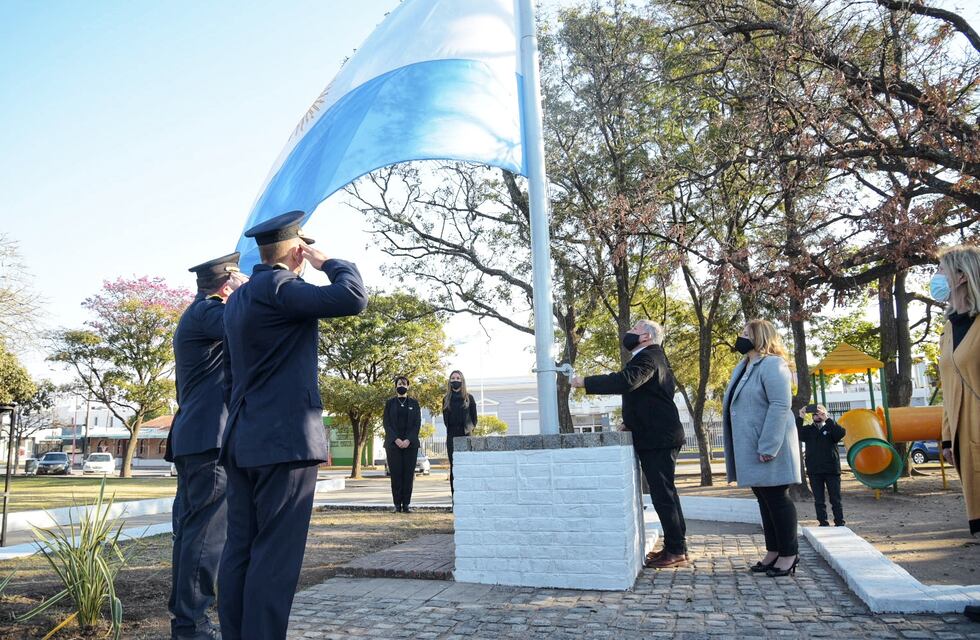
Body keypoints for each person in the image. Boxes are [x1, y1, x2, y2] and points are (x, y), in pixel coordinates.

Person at [218, 211, 367, 640]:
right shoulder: (281, 287)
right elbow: (352, 297)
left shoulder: (238, 300)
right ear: (297, 251)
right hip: (283, 443)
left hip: (243, 438)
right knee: (275, 557)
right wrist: (329, 262)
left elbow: (230, 376)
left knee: (240, 550)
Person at [167, 252, 246, 640]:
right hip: (208, 441)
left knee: (190, 534)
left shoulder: (199, 313)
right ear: (226, 284)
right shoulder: (208, 313)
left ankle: (186, 621)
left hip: (197, 438)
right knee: (204, 538)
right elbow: (245, 322)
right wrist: (250, 291)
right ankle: (192, 625)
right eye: (237, 280)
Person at [571, 320, 688, 569]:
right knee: (666, 493)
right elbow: (648, 398)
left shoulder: (648, 358)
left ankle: (676, 549)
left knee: (663, 495)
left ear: (646, 337)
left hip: (659, 438)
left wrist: (585, 382)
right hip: (658, 435)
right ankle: (676, 547)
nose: (628, 332)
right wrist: (630, 422)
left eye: (634, 329)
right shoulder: (653, 357)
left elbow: (626, 381)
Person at [722, 319, 802, 577]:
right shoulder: (744, 366)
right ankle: (774, 551)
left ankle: (789, 554)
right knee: (764, 497)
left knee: (777, 497)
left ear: (760, 337)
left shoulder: (772, 364)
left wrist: (768, 445)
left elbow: (780, 405)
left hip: (769, 443)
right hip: (751, 444)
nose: (741, 336)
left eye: (746, 333)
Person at [935, 244, 980, 538]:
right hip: (963, 438)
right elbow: (949, 387)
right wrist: (947, 437)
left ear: (962, 276)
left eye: (941, 270)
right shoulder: (949, 329)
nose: (936, 277)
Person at [796, 404, 846, 527]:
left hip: (831, 470)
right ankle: (823, 522)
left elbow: (840, 433)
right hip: (814, 470)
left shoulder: (831, 427)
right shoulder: (808, 430)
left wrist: (827, 419)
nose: (817, 416)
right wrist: (801, 417)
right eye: (815, 414)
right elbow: (797, 433)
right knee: (819, 499)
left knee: (835, 499)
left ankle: (839, 522)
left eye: (820, 413)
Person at [383, 375, 422, 513]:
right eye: (399, 383)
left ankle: (406, 505)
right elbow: (386, 423)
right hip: (393, 445)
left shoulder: (414, 404)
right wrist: (396, 439)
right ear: (395, 386)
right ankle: (396, 505)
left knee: (408, 475)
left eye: (404, 384)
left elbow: (417, 424)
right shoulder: (389, 403)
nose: (402, 386)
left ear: (408, 386)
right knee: (396, 475)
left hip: (410, 445)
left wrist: (408, 440)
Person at [442, 370, 477, 495]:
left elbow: (474, 419)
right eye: (453, 378)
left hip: (466, 436)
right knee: (454, 468)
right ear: (450, 381)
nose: (455, 380)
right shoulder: (446, 399)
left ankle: (467, 496)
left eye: (458, 378)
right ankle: (455, 498)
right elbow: (446, 420)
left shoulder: (469, 398)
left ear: (462, 380)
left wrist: (468, 431)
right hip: (451, 438)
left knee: (466, 467)